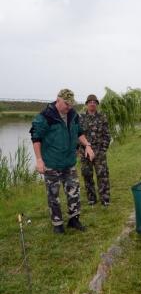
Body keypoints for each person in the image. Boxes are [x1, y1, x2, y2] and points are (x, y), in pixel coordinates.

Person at [30, 89, 95, 234]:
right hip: (52, 163)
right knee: (53, 195)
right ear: (57, 100)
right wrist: (39, 159)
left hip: (69, 162)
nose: (69, 107)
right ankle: (58, 224)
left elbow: (79, 133)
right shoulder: (45, 116)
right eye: (66, 104)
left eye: (71, 104)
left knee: (74, 192)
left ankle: (74, 219)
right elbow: (36, 138)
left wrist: (88, 145)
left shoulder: (73, 115)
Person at [79, 94, 111, 207]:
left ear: (97, 104)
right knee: (87, 175)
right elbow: (77, 135)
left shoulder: (102, 117)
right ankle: (91, 199)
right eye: (90, 101)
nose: (92, 103)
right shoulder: (80, 118)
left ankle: (105, 199)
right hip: (85, 152)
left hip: (99, 151)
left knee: (103, 175)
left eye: (94, 102)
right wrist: (79, 150)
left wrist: (103, 149)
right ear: (87, 104)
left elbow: (107, 135)